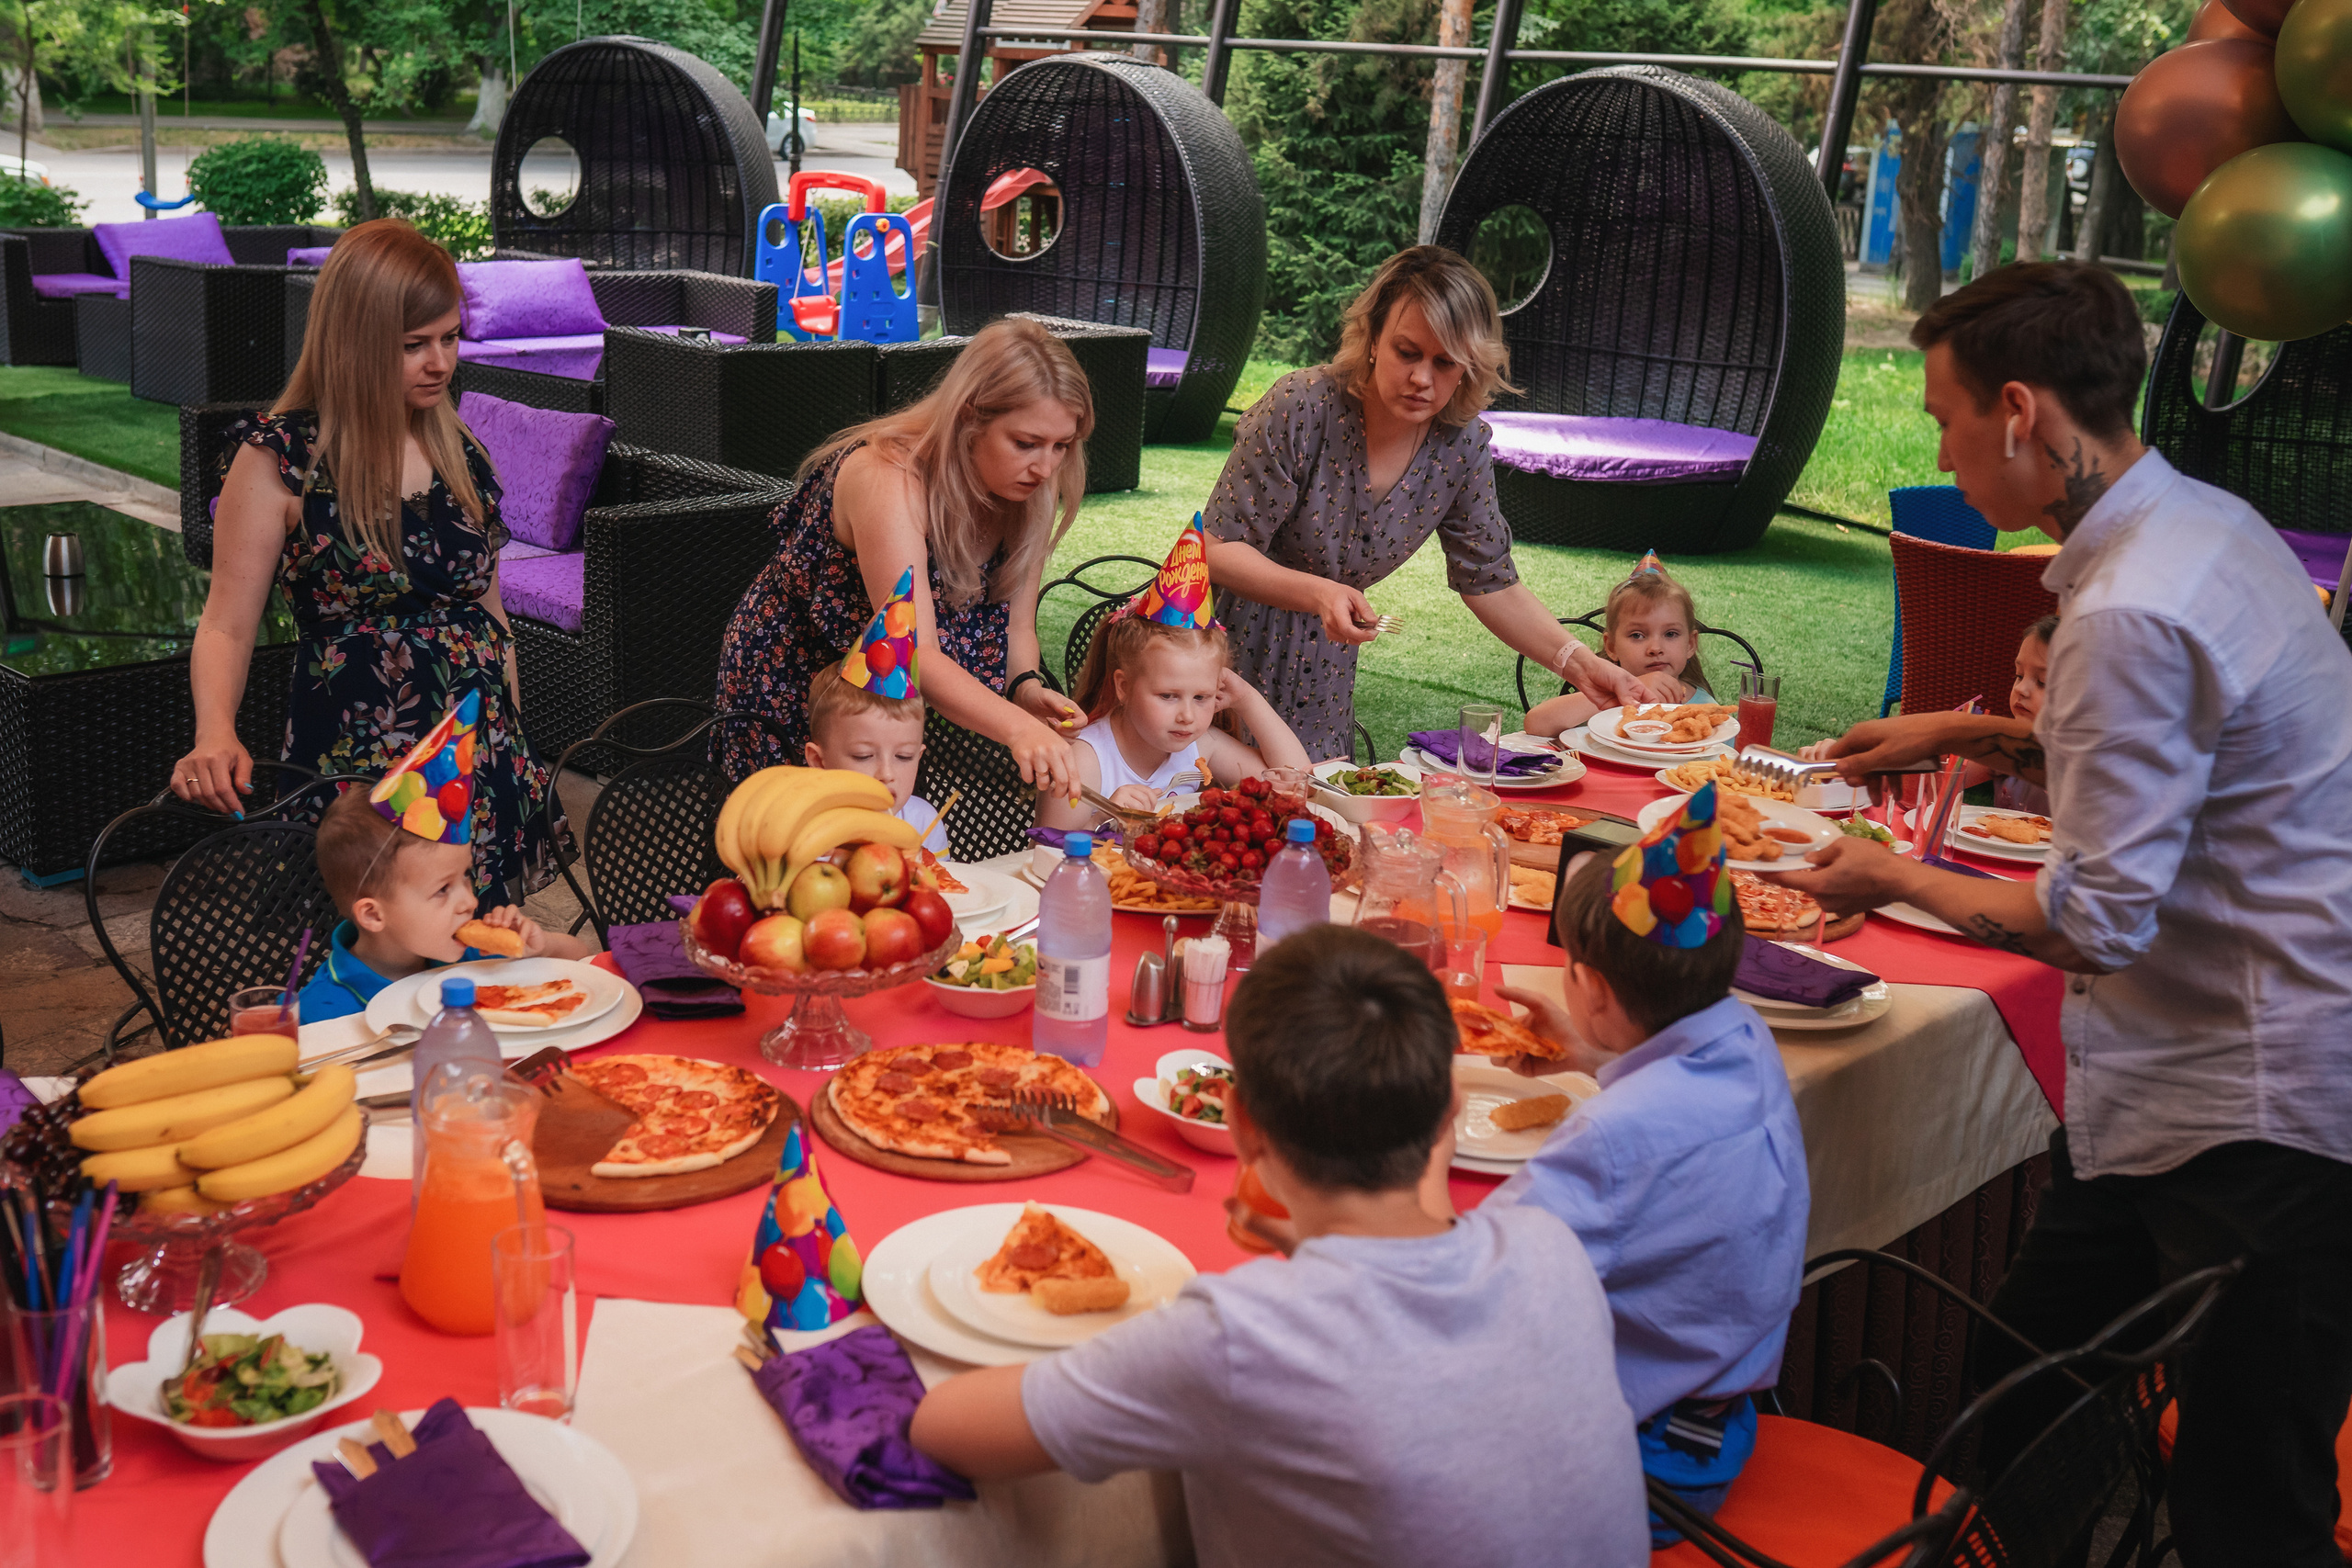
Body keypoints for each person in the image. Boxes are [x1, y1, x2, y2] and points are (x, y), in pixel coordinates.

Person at [1772, 262, 2352, 1568]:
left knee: (2252, 1499)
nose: (1940, 449)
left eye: (1944, 418)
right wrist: (1973, 728)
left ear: (2022, 412)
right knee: (2027, 1381)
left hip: (2265, 1096)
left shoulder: (2135, 605)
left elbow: (2095, 917)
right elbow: (2200, 760)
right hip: (2177, 1079)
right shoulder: (2199, 522)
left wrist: (1887, 876)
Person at [908, 924, 1648, 1568]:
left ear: (1241, 1124)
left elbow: (943, 1428)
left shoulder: (1241, 1335)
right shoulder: (1550, 1246)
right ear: (1450, 1108)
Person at [170, 220, 563, 902]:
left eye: (449, 338)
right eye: (413, 346)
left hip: (477, 750)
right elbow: (227, 624)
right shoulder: (279, 461)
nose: (440, 363)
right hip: (357, 763)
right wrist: (214, 729)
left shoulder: (458, 449)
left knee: (478, 957)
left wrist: (513, 738)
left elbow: (490, 616)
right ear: (354, 342)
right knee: (363, 964)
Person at [1485, 785, 1807, 1543]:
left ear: (1591, 987)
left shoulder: (1612, 1138)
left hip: (1643, 1465)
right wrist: (1592, 1054)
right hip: (1717, 1417)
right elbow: (1672, 1112)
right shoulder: (1747, 1039)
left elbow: (1484, 1275)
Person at [1201, 246, 1671, 761]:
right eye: (1408, 352)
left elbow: (1491, 581)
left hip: (1324, 677)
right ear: (1374, 338)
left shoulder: (1460, 445)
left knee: (1314, 821)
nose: (1423, 379)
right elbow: (1216, 548)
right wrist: (1318, 593)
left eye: (1445, 362)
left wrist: (1583, 665)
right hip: (1219, 656)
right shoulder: (1301, 407)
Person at [714, 317, 1091, 798]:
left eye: (1062, 446)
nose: (1045, 466)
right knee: (792, 844)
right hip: (793, 679)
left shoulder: (1032, 482)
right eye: (1025, 443)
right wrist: (1018, 728)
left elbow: (1017, 625)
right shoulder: (888, 478)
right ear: (970, 418)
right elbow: (917, 651)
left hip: (891, 702)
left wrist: (1024, 686)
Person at [300, 697, 586, 1023]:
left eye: (465, 875)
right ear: (373, 914)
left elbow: (584, 960)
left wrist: (541, 946)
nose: (468, 901)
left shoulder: (471, 954)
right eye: (441, 889)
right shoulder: (318, 1014)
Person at [1039, 518, 1309, 831]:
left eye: (1201, 697)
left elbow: (1296, 782)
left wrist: (1248, 700)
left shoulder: (1200, 746)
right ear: (1124, 687)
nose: (1187, 716)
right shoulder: (1083, 759)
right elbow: (1040, 852)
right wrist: (1103, 818)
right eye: (1168, 696)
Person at [801, 571, 946, 852]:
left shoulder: (925, 823)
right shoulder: (796, 832)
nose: (886, 774)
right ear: (819, 761)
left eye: (904, 757)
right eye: (863, 756)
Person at [1525, 552, 1718, 739]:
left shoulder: (1706, 709)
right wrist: (1634, 689)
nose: (1655, 648)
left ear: (1690, 644)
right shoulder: (1603, 698)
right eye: (1637, 635)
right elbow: (1536, 724)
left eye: (1670, 634)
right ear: (1612, 647)